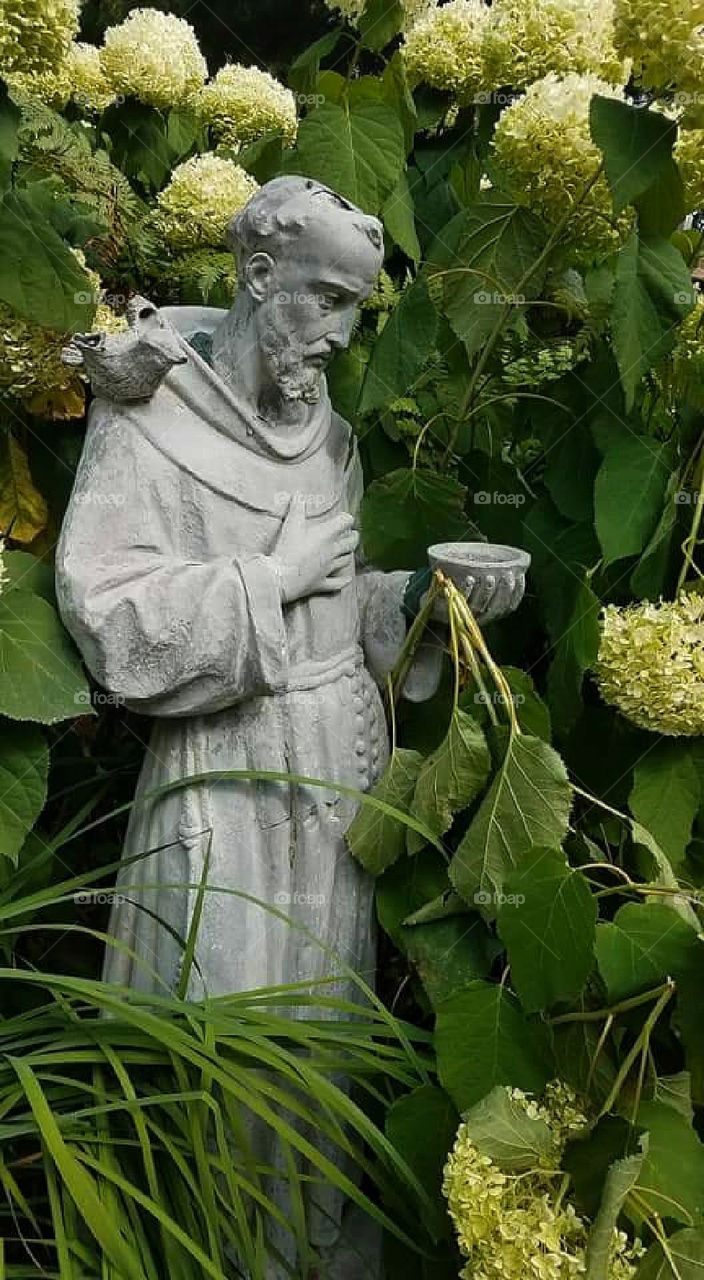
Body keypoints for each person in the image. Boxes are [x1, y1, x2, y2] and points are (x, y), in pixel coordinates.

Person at [56, 176, 450, 1275]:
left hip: (330, 769)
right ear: (258, 275)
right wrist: (265, 579)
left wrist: (416, 602)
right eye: (320, 299)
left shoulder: (326, 434)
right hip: (220, 775)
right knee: (219, 1008)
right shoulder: (149, 418)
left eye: (353, 311)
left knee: (321, 1020)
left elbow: (341, 603)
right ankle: (211, 1246)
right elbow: (106, 610)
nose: (333, 336)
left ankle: (301, 1237)